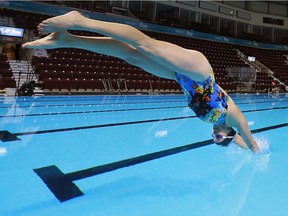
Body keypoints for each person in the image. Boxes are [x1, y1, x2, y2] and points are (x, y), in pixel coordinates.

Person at [22, 11, 261, 153]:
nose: (214, 135)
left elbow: (236, 141)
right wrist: (258, 154)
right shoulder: (232, 117)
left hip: (181, 78)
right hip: (200, 73)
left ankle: (69, 39)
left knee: (132, 56)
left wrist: (236, 146)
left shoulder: (218, 123)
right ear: (228, 133)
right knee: (144, 44)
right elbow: (248, 141)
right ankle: (80, 21)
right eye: (218, 137)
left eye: (215, 139)